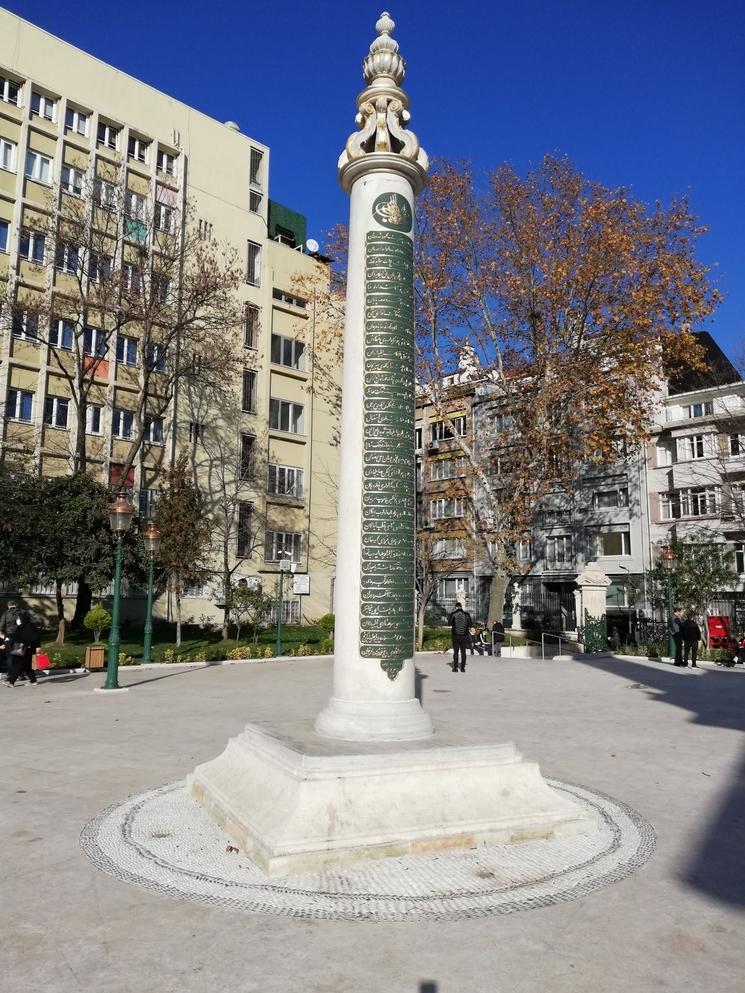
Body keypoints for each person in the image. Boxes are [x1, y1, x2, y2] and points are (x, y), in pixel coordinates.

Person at [5, 610, 40, 687]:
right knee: (28, 665)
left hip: (21, 648)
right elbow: (36, 637)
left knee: (17, 664)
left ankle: (11, 682)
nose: (18, 619)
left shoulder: (22, 627)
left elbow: (16, 637)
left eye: (19, 618)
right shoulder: (31, 626)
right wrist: (38, 646)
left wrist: (7, 639)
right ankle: (33, 681)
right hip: (31, 649)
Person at [0, 599, 21, 680]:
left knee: (9, 656)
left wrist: (4, 635)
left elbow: (1, 626)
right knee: (18, 655)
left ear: (8, 606)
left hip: (9, 636)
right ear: (16, 605)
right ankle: (19, 674)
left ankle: (10, 675)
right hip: (20, 637)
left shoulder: (5, 613)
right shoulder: (22, 612)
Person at [448, 602, 472, 672]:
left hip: (455, 636)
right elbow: (470, 624)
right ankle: (462, 668)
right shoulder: (466, 614)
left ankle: (455, 668)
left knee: (456, 652)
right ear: (461, 607)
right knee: (463, 652)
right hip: (464, 636)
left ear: (456, 607)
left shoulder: (453, 614)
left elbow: (449, 623)